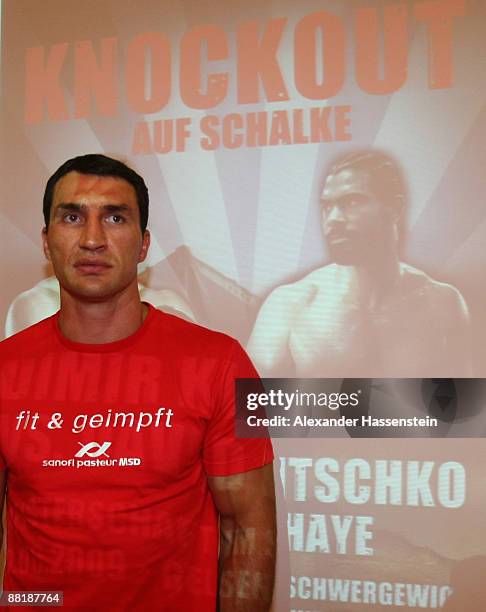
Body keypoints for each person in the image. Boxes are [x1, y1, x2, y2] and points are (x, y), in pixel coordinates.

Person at [0, 154, 276, 611]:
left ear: (144, 244)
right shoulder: (5, 368)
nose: (92, 239)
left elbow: (248, 528)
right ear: (47, 243)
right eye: (72, 217)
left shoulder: (221, 363)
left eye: (115, 217)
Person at [248, 150, 471, 379]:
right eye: (326, 206)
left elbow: (462, 410)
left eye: (351, 202)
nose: (333, 218)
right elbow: (248, 408)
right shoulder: (291, 305)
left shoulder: (443, 304)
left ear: (394, 208)